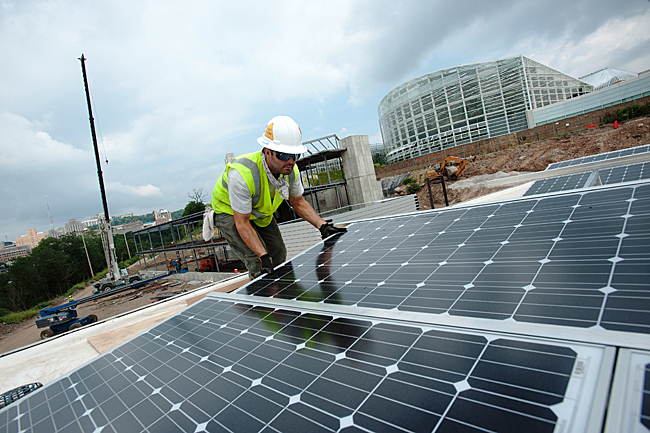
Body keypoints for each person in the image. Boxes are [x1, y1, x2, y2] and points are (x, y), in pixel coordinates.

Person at [210, 115, 347, 280]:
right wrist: (263, 256)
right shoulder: (242, 175)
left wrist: (323, 226)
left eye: (294, 156)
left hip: (258, 212)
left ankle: (281, 293)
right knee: (259, 262)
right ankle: (265, 302)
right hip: (230, 212)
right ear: (268, 152)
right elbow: (242, 222)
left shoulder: (290, 171)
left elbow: (298, 202)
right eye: (283, 155)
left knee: (278, 253)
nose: (290, 161)